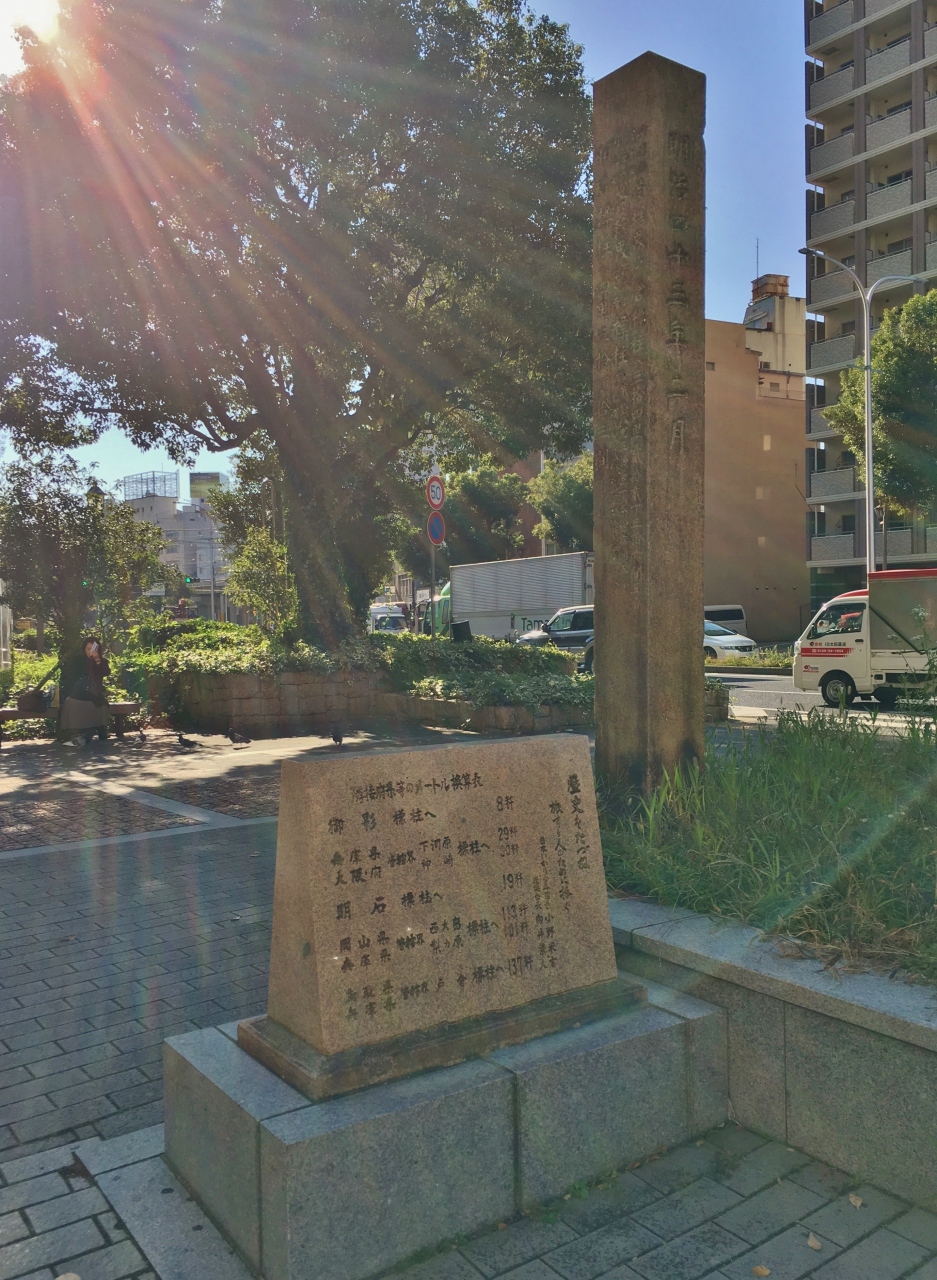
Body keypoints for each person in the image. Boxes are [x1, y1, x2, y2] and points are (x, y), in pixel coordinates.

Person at [60, 636, 111, 746]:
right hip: (79, 693)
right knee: (71, 703)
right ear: (84, 649)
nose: (90, 651)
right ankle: (76, 734)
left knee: (100, 705)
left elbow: (105, 672)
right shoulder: (78, 661)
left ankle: (98, 730)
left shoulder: (102, 661)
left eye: (93, 649)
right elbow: (72, 677)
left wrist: (97, 660)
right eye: (88, 649)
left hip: (95, 694)